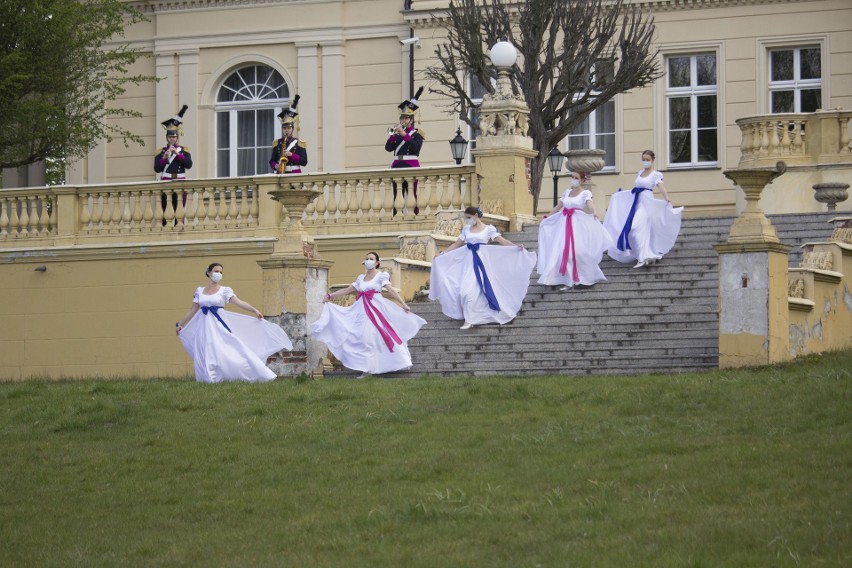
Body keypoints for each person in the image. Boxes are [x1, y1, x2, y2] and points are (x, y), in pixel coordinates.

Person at [311, 252, 426, 379]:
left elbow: (391, 290)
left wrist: (403, 304)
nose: (368, 261)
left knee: (374, 336)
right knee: (362, 337)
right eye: (367, 259)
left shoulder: (381, 276)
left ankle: (381, 365)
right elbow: (347, 290)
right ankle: (367, 367)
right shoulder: (361, 278)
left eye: (371, 259)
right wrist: (330, 296)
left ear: (377, 263)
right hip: (361, 310)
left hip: (376, 309)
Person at [176, 262, 292, 383]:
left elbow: (239, 302)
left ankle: (250, 372)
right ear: (209, 273)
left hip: (219, 326)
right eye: (216, 271)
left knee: (226, 349)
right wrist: (181, 324)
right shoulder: (199, 291)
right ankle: (207, 379)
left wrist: (254, 310)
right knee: (205, 351)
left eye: (221, 272)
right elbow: (192, 311)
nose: (219, 274)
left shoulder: (224, 290)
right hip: (204, 327)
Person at [429, 206, 537, 329]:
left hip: (481, 263)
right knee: (463, 291)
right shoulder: (466, 229)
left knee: (470, 291)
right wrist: (442, 254)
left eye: (468, 218)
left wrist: (515, 247)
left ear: (475, 215)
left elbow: (502, 240)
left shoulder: (488, 229)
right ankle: (470, 316)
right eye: (466, 218)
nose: (467, 220)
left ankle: (470, 319)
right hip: (467, 264)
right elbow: (456, 244)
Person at [603, 150, 683, 268]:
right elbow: (635, 188)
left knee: (636, 227)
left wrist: (667, 198)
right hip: (637, 202)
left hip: (647, 203)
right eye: (643, 159)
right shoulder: (640, 173)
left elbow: (661, 187)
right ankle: (642, 255)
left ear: (652, 160)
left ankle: (643, 256)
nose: (645, 162)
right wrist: (619, 195)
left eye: (647, 160)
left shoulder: (655, 175)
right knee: (636, 230)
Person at [537, 171, 613, 289]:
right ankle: (568, 280)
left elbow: (590, 204)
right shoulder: (567, 193)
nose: (573, 179)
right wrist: (547, 217)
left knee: (577, 252)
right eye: (572, 177)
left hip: (577, 224)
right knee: (562, 250)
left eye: (576, 178)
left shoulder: (585, 193)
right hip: (564, 224)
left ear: (582, 180)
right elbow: (558, 207)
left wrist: (595, 212)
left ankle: (586, 275)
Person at [385, 86, 425, 216]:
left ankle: (415, 215)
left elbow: (416, 149)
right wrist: (393, 135)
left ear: (411, 120)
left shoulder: (417, 133)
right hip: (397, 165)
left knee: (412, 192)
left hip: (411, 165)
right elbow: (388, 148)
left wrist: (404, 135)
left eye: (406, 118)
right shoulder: (396, 133)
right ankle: (397, 215)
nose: (403, 120)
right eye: (402, 118)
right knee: (398, 193)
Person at [154, 105, 193, 225]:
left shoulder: (184, 150)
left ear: (177, 138)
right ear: (166, 138)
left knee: (179, 211)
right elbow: (157, 168)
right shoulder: (160, 151)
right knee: (166, 211)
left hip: (180, 182)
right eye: (170, 137)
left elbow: (188, 165)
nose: (172, 139)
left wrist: (178, 154)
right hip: (166, 182)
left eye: (174, 137)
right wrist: (164, 158)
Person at [270, 95, 308, 174]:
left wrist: (291, 155)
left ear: (292, 129)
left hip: (294, 173)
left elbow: (304, 162)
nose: (286, 131)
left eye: (288, 128)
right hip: (280, 173)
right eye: (284, 128)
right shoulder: (277, 143)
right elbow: (272, 161)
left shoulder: (299, 142)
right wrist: (276, 166)